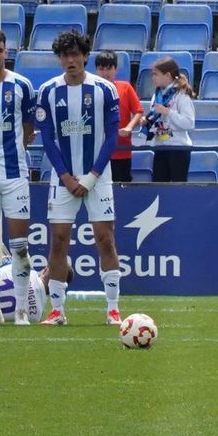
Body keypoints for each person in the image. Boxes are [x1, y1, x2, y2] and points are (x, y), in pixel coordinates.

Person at [34, 30, 123, 326]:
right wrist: (67, 177)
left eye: (75, 54)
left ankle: (113, 309)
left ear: (85, 56)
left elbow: (112, 137)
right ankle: (57, 310)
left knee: (105, 239)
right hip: (63, 179)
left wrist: (91, 177)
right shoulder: (48, 91)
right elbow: (47, 140)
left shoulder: (104, 90)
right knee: (59, 241)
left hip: (98, 177)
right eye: (64, 55)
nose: (70, 60)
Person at [138, 56, 196, 183]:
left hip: (178, 148)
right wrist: (147, 120)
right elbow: (155, 115)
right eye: (152, 74)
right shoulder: (157, 94)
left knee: (178, 189)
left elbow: (189, 123)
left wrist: (168, 112)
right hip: (160, 146)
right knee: (158, 187)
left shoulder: (181, 94)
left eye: (156, 74)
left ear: (168, 75)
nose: (153, 78)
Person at [94, 50, 143, 183]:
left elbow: (138, 111)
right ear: (96, 70)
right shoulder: (89, 90)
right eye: (101, 68)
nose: (105, 72)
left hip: (121, 151)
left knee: (122, 189)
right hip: (96, 152)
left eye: (109, 68)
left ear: (115, 69)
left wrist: (129, 128)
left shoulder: (125, 87)